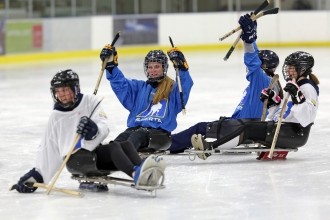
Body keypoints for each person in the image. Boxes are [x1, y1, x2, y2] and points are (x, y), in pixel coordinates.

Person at [12, 69, 166, 193]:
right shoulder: (56, 116)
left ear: (75, 89)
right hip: (75, 161)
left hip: (92, 153)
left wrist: (94, 130)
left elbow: (104, 127)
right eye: (58, 91)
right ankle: (135, 175)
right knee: (113, 147)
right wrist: (37, 175)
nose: (61, 95)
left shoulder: (90, 101)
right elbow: (48, 148)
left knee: (125, 144)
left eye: (65, 90)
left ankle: (143, 170)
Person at [169, 13, 282, 157]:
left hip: (239, 128)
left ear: (264, 65)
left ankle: (169, 144)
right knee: (204, 127)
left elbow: (252, 61)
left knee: (199, 128)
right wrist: (252, 35)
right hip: (240, 126)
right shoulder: (268, 82)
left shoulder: (262, 80)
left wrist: (249, 39)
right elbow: (255, 57)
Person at [192, 50, 319, 159]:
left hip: (294, 133)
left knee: (247, 128)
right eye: (288, 67)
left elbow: (307, 118)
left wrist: (299, 98)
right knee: (248, 127)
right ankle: (211, 146)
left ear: (302, 69)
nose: (288, 70)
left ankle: (210, 148)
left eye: (292, 68)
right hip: (282, 128)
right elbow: (285, 112)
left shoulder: (308, 88)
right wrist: (273, 102)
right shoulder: (294, 85)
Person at [100, 45, 193, 151]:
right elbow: (120, 84)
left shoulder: (173, 89)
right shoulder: (139, 88)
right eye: (150, 67)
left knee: (138, 135)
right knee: (122, 138)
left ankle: (125, 156)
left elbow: (185, 85)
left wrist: (181, 67)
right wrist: (111, 65)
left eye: (157, 66)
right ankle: (108, 155)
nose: (153, 70)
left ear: (164, 68)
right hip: (135, 131)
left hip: (160, 136)